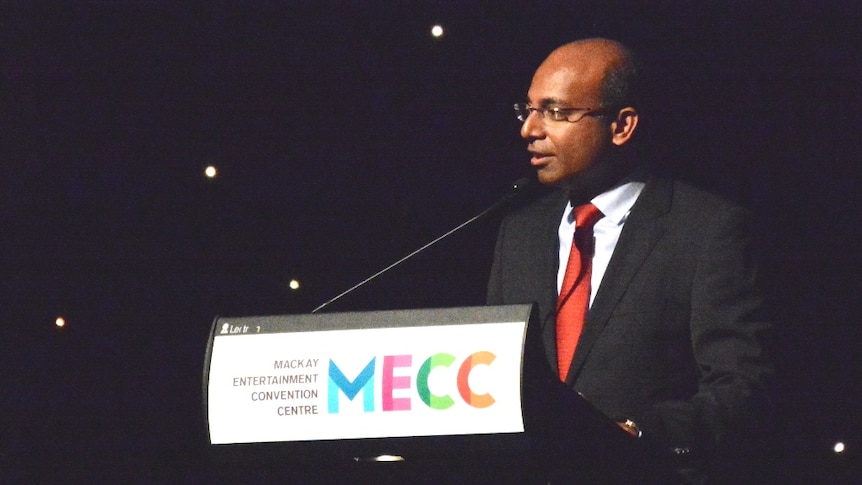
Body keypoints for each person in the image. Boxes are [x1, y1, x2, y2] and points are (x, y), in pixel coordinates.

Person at [487, 38, 774, 481]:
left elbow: (742, 388)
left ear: (622, 126)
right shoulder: (519, 231)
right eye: (527, 110)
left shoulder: (706, 230)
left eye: (557, 112)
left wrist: (636, 434)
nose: (530, 128)